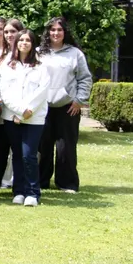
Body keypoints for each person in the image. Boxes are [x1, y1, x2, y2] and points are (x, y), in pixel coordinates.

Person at [38, 17, 92, 193]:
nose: (55, 33)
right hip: (43, 107)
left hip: (68, 107)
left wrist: (79, 100)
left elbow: (85, 78)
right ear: (48, 32)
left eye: (59, 30)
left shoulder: (75, 53)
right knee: (42, 146)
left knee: (66, 147)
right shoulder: (39, 52)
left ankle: (67, 183)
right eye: (52, 30)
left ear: (65, 32)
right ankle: (41, 181)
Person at [0, 29, 49, 207]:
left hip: (33, 118)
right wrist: (20, 111)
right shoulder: (8, 64)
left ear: (32, 43)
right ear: (16, 43)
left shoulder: (41, 65)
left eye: (28, 40)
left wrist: (28, 110)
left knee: (29, 155)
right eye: (21, 40)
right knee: (17, 155)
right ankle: (18, 191)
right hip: (12, 116)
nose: (24, 43)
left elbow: (42, 90)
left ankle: (33, 192)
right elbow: (5, 92)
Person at [0, 17, 25, 193]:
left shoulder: (22, 52)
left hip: (16, 108)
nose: (1, 33)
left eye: (8, 31)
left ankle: (18, 185)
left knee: (17, 150)